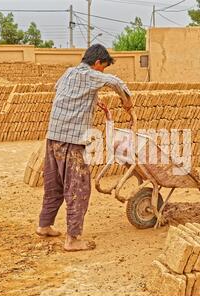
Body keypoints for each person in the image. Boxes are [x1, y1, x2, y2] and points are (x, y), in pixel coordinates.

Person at [36, 44, 133, 251]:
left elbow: (64, 92)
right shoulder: (90, 74)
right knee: (78, 187)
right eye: (103, 67)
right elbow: (116, 82)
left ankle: (44, 225)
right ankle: (73, 239)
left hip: (53, 137)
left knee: (54, 185)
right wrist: (127, 102)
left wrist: (91, 100)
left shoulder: (68, 73)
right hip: (72, 141)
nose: (102, 72)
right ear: (97, 63)